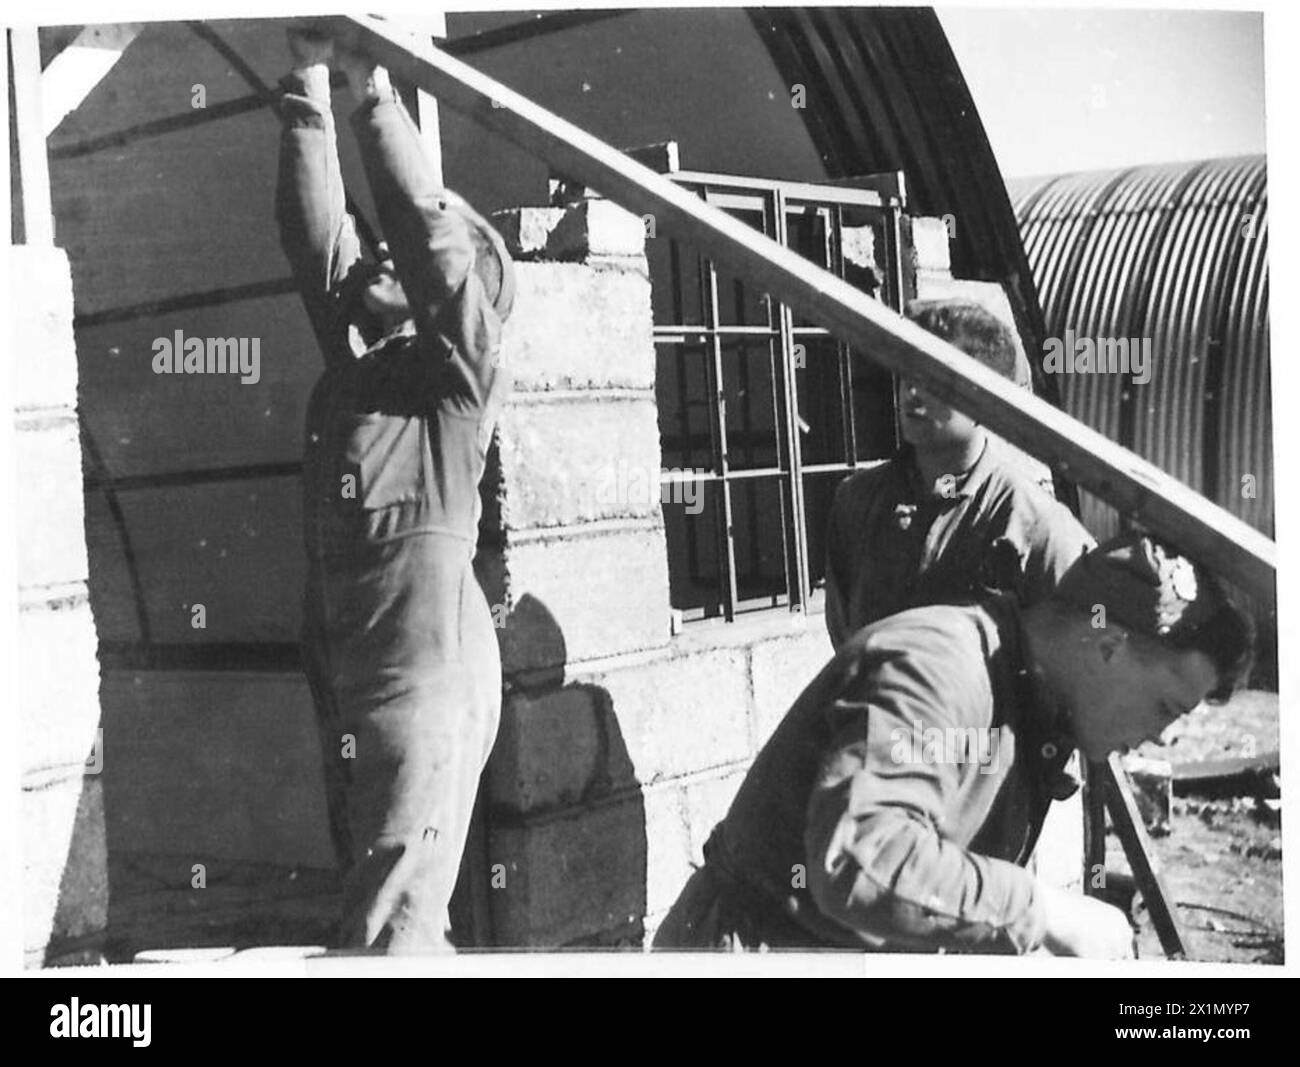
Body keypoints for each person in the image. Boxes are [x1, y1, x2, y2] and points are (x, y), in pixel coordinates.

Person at [654, 533, 1253, 956]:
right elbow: (860, 863)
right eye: (1166, 706)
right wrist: (1042, 912)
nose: (1162, 734)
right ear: (1108, 647)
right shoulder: (941, 668)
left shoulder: (1033, 699)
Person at [275, 26, 515, 953]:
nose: (382, 254)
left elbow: (428, 243)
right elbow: (317, 244)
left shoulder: (458, 384)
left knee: (391, 937)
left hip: (423, 698)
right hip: (353, 690)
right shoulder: (362, 371)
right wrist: (307, 85)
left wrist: (371, 95)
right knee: (378, 927)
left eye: (408, 260)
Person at [825, 298, 1093, 650]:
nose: (912, 392)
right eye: (908, 372)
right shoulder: (858, 502)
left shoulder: (1031, 522)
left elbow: (1085, 641)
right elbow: (846, 636)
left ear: (986, 401)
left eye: (935, 380)